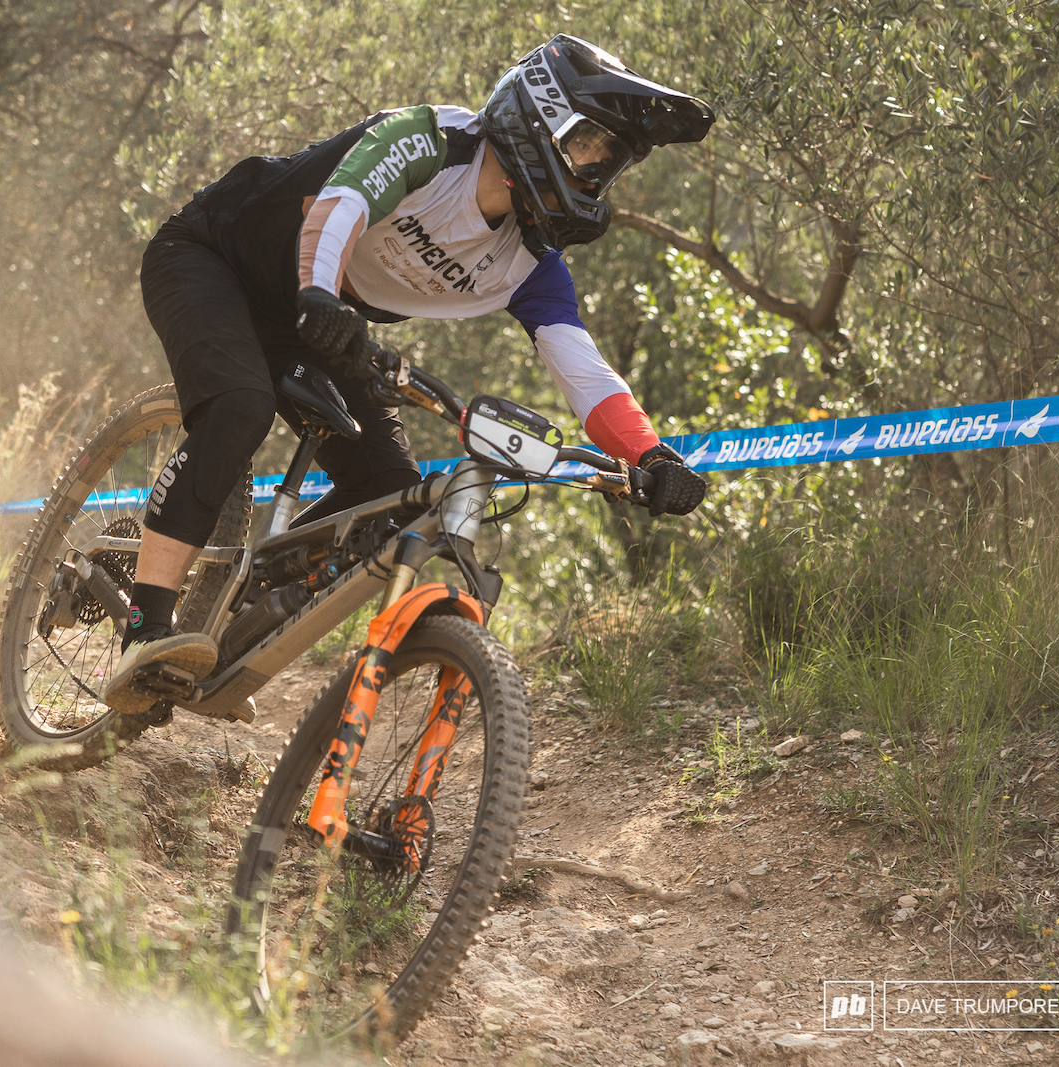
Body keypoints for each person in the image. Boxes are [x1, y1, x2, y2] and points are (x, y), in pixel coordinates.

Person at [103, 34, 714, 715]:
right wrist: (319, 292)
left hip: (318, 316)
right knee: (240, 405)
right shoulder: (432, 141)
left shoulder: (531, 262)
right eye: (588, 147)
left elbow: (584, 367)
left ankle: (225, 618)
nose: (594, 173)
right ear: (540, 116)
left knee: (391, 496)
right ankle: (145, 626)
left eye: (608, 163)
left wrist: (651, 454)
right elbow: (343, 206)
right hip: (214, 256)